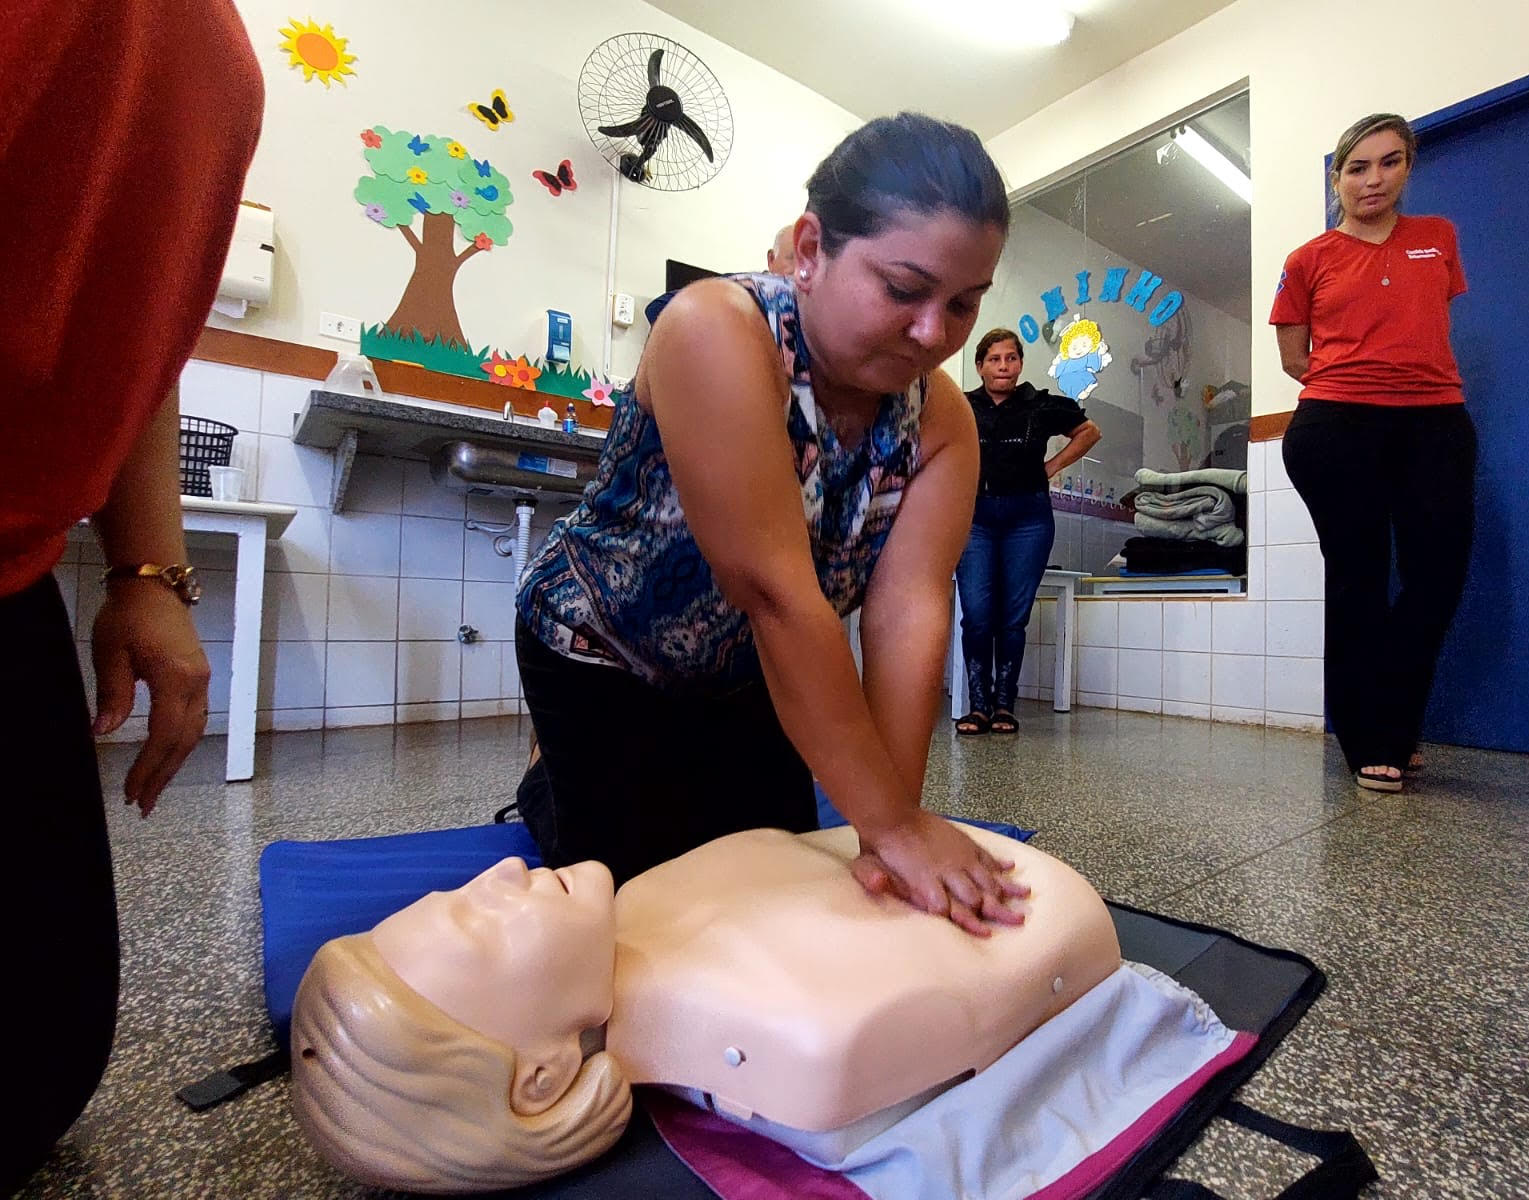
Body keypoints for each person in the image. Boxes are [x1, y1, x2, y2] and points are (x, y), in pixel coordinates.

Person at [513, 113, 1030, 934]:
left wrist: (884, 830)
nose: (933, 334)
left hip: (751, 670)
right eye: (903, 290)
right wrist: (895, 829)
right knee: (648, 904)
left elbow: (908, 612)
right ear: (811, 249)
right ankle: (549, 775)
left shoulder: (943, 422)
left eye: (963, 304)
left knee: (778, 875)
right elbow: (777, 593)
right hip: (604, 649)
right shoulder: (715, 329)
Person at [0, 2, 263, 1189]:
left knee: (37, 1066)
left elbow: (142, 332)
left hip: (9, 568)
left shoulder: (212, 57)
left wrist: (148, 570)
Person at [291, 823, 1121, 1193]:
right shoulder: (793, 1031)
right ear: (540, 1079)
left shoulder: (643, 910)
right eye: (480, 925)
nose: (500, 876)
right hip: (1033, 907)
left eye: (461, 890)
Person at [1270, 113, 1476, 793]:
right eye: (1357, 167)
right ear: (1337, 178)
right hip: (1337, 428)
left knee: (1435, 576)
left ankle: (1396, 724)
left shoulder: (1438, 240)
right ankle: (1368, 741)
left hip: (1435, 422)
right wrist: (1358, 382)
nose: (1373, 179)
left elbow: (1425, 323)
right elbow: (1297, 358)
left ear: (1408, 167)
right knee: (1358, 578)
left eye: (1389, 163)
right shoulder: (1308, 259)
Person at [954, 329, 1101, 736]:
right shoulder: (961, 407)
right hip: (975, 520)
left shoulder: (1041, 404)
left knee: (1013, 619)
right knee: (978, 616)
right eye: (995, 359)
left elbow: (1089, 431)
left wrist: (1051, 467)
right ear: (981, 365)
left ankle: (1004, 706)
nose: (1004, 366)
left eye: (1011, 358)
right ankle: (977, 706)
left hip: (1028, 520)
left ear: (1020, 363)